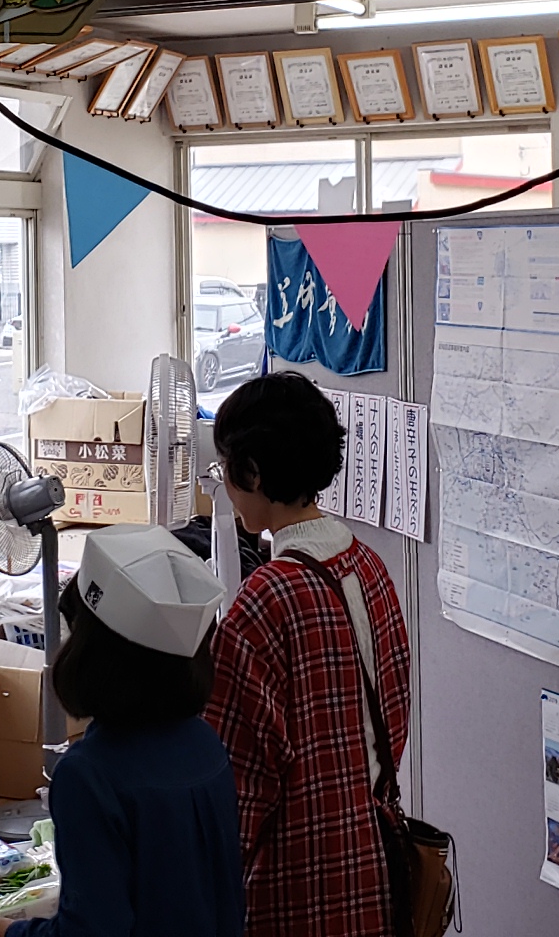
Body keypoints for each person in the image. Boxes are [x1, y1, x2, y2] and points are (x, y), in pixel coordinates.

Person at [201, 372, 413, 937]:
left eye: (225, 469)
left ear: (252, 472)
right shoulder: (368, 564)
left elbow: (236, 785)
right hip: (374, 866)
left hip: (294, 888)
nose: (225, 486)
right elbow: (394, 717)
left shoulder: (263, 602)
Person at [0, 525, 242, 937]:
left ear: (93, 654)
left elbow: (91, 931)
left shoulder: (90, 775)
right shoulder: (204, 743)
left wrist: (5, 933)